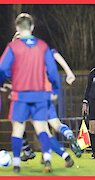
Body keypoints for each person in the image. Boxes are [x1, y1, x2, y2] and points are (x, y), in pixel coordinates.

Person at [0, 13, 60, 173]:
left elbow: (1, 68)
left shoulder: (13, 47)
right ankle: (47, 159)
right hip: (40, 95)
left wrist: (1, 82)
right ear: (32, 27)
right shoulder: (42, 46)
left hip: (20, 96)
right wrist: (55, 88)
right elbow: (53, 70)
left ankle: (17, 163)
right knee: (41, 128)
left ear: (17, 28)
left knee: (18, 129)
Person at [10, 32, 82, 165]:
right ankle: (67, 136)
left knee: (42, 132)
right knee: (56, 124)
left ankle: (62, 157)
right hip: (46, 94)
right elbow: (54, 53)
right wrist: (69, 72)